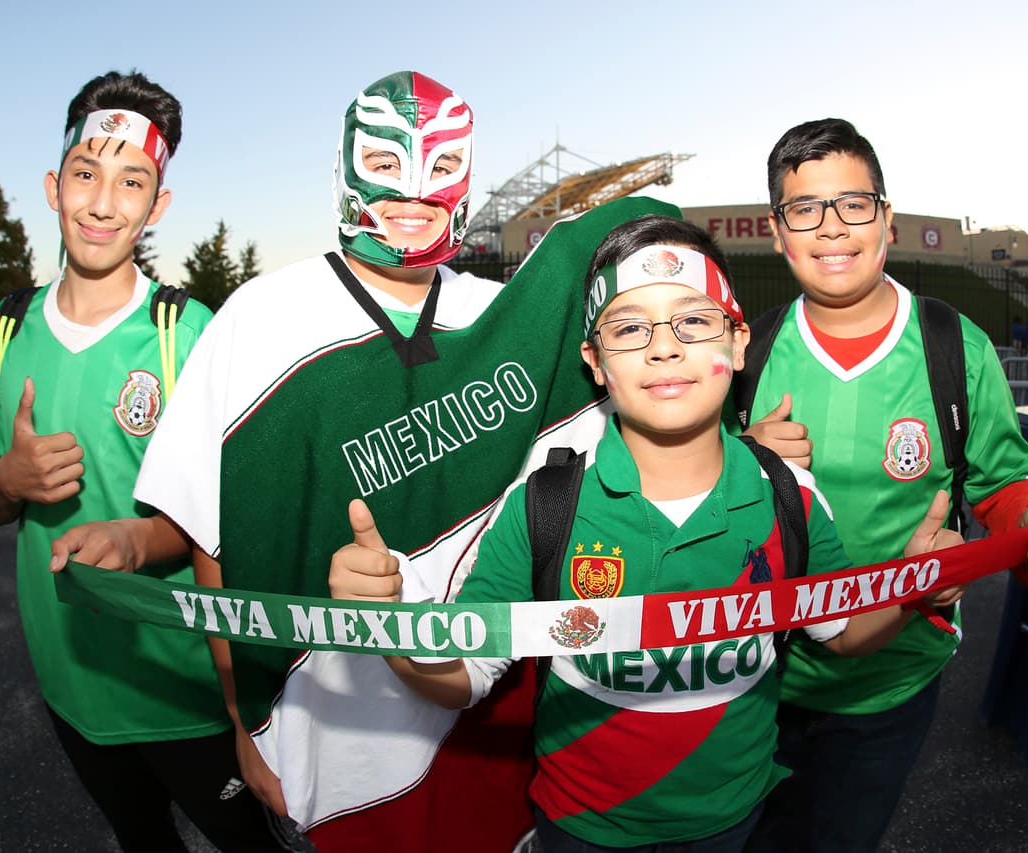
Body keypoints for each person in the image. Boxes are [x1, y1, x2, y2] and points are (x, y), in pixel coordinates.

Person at [126, 70, 677, 850]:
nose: (415, 189)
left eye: (442, 165)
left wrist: (746, 449)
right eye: (387, 162)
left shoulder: (504, 318)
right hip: (323, 743)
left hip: (488, 731)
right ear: (344, 168)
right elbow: (213, 540)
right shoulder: (256, 321)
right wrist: (243, 721)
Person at [328, 215, 965, 851]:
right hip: (581, 828)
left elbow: (844, 631)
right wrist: (392, 627)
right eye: (630, 328)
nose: (665, 348)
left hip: (736, 822)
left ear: (738, 342)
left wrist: (915, 586)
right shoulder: (544, 505)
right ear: (595, 361)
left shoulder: (788, 496)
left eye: (694, 321)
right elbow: (464, 676)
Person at [738, 117, 1028, 852]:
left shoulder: (955, 346)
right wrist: (744, 459)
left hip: (892, 682)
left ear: (886, 218)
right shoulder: (746, 355)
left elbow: (1003, 483)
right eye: (805, 208)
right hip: (753, 679)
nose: (832, 226)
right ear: (777, 232)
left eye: (853, 203)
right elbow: (681, 494)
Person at [0, 70, 281, 852]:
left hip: (187, 691)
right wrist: (7, 481)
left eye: (131, 181)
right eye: (86, 174)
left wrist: (140, 540)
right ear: (54, 185)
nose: (103, 203)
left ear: (156, 205)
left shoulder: (188, 333)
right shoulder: (6, 330)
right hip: (69, 685)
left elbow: (229, 522)